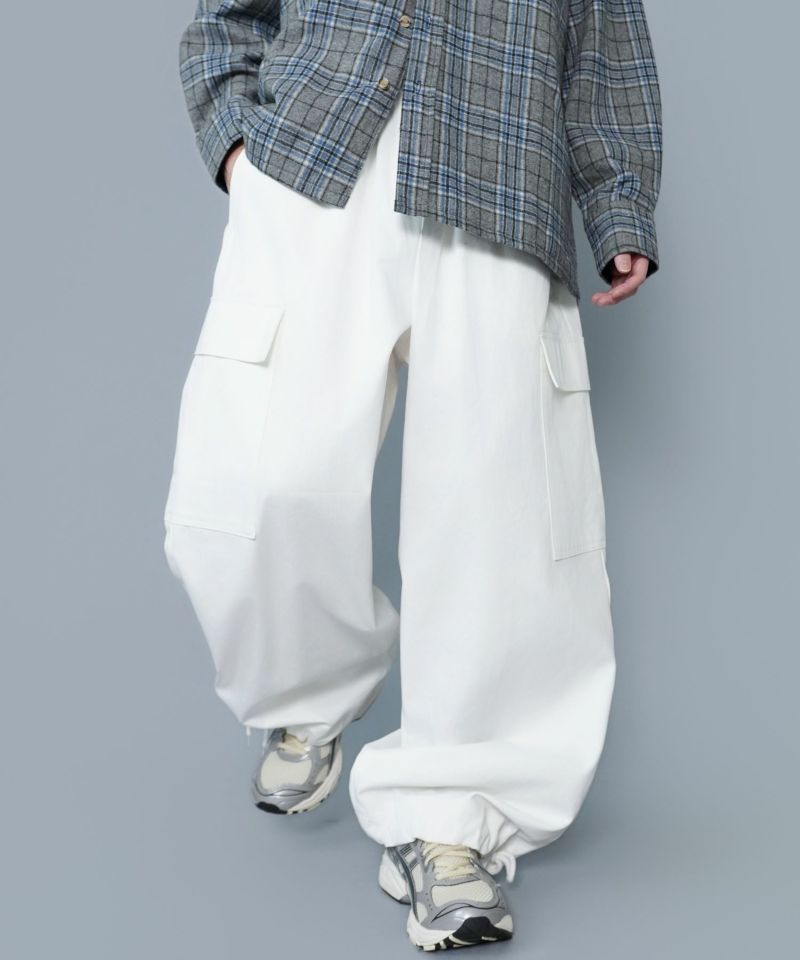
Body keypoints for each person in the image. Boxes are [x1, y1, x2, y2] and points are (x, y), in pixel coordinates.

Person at [164, 0, 662, 950]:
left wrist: (619, 202)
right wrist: (237, 146)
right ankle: (304, 696)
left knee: (494, 520)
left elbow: (608, 48)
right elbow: (227, 16)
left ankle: (451, 821)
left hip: (501, 166)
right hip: (315, 163)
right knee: (264, 478)